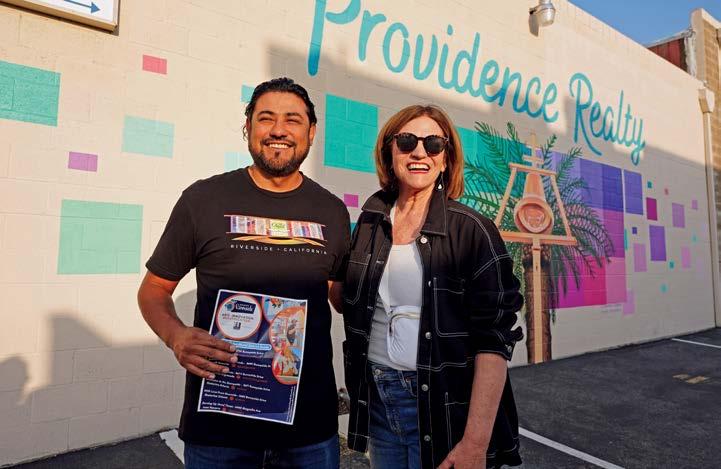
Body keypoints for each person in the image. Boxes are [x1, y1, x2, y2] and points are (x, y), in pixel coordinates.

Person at [138, 77, 350, 469]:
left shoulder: (332, 211)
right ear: (247, 127)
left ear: (311, 132)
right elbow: (153, 290)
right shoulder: (203, 200)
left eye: (293, 120)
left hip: (308, 432)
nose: (279, 130)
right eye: (266, 118)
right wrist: (175, 336)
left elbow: (341, 297)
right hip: (220, 432)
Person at [335, 105, 524, 469]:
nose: (419, 152)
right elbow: (349, 300)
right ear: (389, 152)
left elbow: (494, 340)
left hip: (444, 405)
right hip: (379, 400)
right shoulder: (371, 223)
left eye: (433, 144)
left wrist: (475, 443)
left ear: (446, 158)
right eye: (407, 141)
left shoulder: (472, 230)